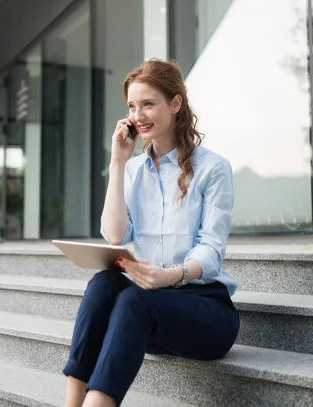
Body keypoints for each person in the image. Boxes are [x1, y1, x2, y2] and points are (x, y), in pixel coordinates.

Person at [62, 59, 240, 407]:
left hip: (206, 311)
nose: (138, 115)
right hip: (147, 308)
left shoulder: (213, 169)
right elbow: (114, 235)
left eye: (148, 103)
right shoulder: (132, 171)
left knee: (133, 298)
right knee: (104, 283)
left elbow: (211, 249)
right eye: (132, 106)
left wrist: (170, 276)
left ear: (175, 104)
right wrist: (117, 163)